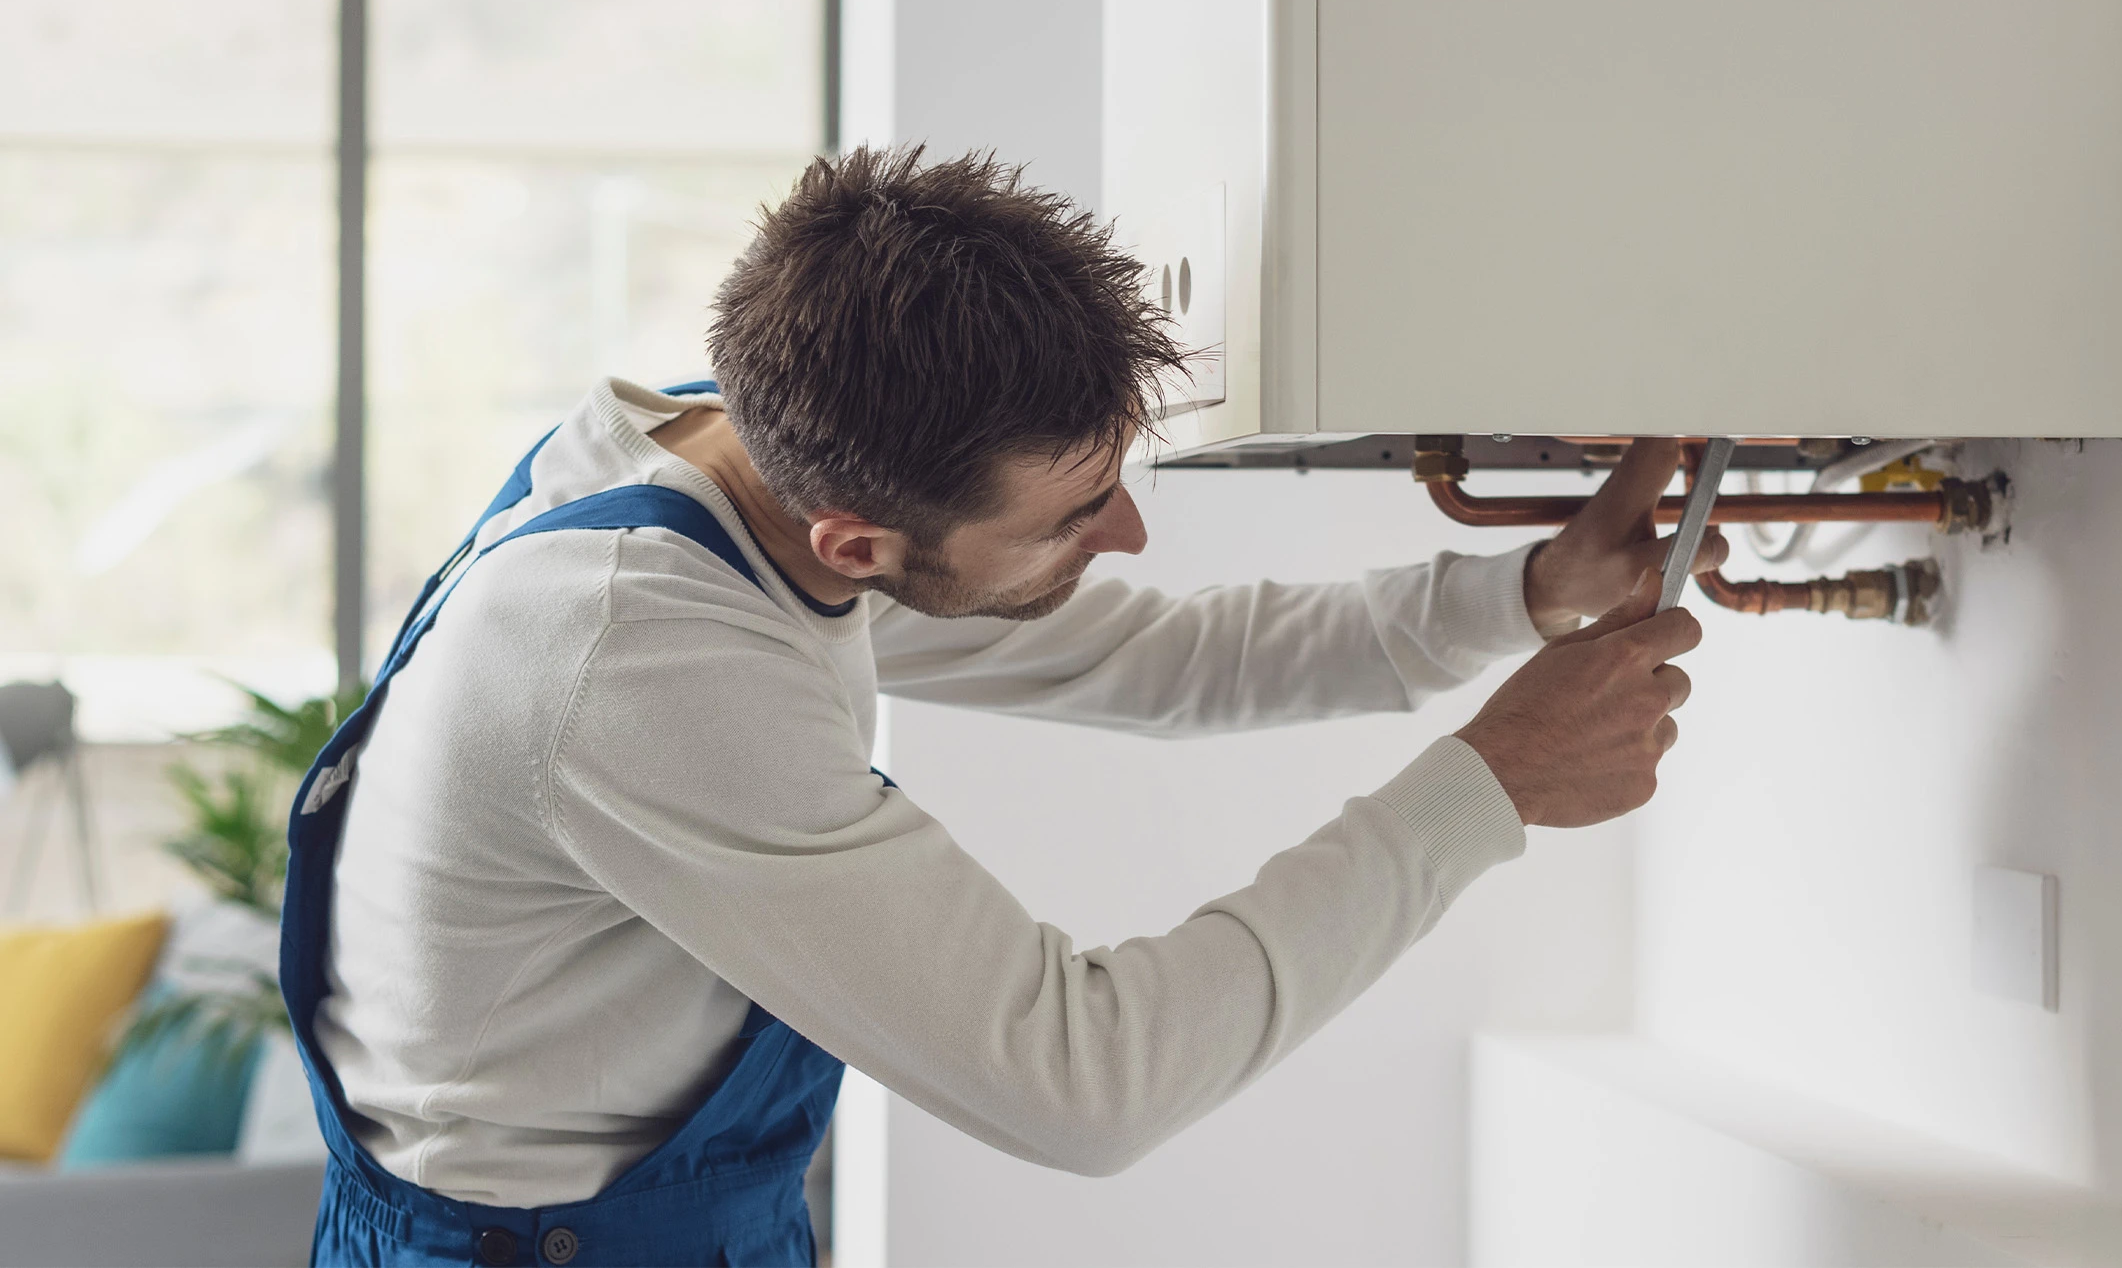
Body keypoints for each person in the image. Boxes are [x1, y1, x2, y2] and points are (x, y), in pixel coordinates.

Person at [282, 147, 1722, 1266]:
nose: (1130, 536)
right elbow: (1085, 1080)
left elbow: (1160, 659)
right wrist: (1490, 783)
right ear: (858, 544)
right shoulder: (646, 663)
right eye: (1077, 514)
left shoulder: (736, 448)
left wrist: (1528, 590)